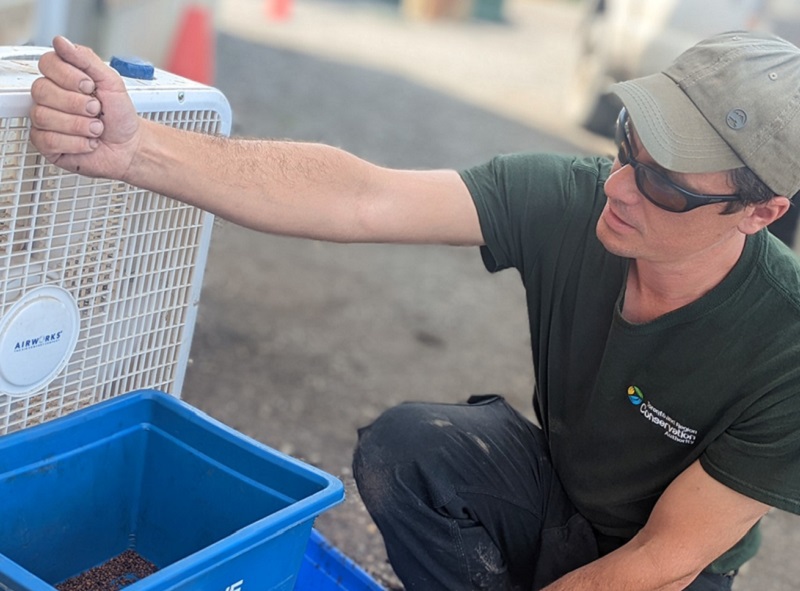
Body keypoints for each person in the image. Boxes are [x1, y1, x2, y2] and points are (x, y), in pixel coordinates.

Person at [28, 30, 800, 591]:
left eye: (665, 183)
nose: (619, 185)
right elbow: (363, 195)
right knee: (411, 448)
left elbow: (666, 558)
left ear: (760, 212)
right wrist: (135, 149)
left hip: (666, 564)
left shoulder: (786, 343)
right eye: (630, 141)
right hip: (558, 489)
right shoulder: (578, 197)